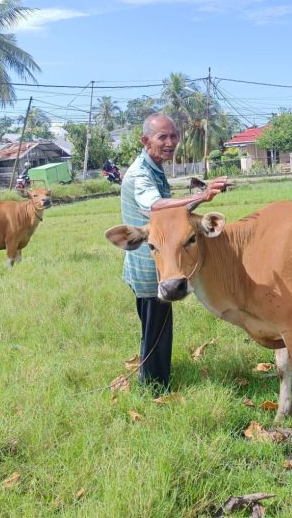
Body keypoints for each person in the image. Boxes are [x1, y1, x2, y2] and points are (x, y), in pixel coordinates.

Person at [120, 114, 227, 390]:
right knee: (156, 328)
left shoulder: (153, 166)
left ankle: (154, 377)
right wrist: (201, 197)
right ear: (146, 141)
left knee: (156, 325)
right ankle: (155, 387)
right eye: (162, 137)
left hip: (162, 259)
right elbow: (157, 206)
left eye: (173, 136)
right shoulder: (140, 173)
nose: (170, 143)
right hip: (153, 262)